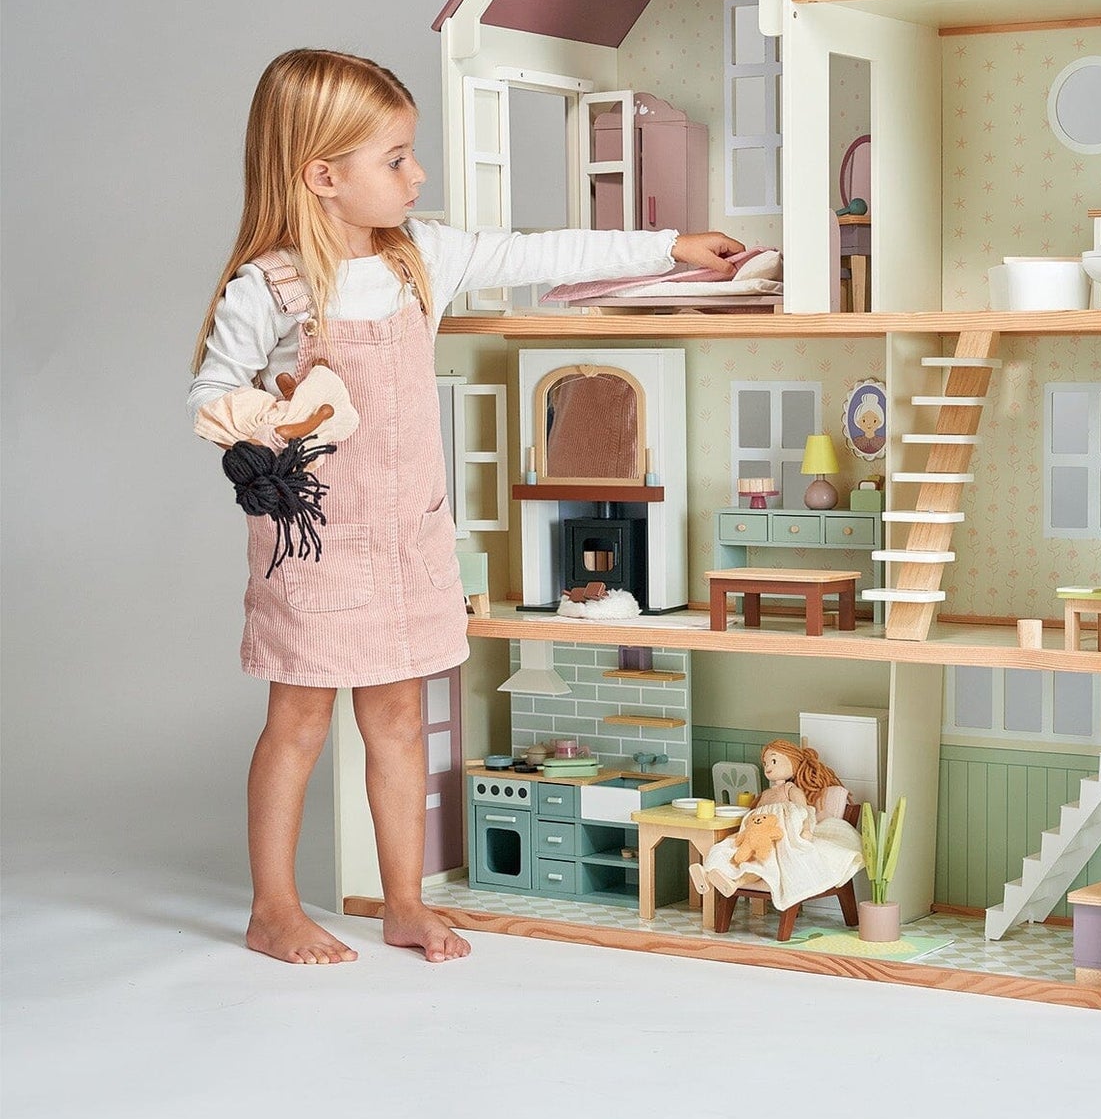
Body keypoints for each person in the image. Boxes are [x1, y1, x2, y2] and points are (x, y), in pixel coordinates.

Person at [190, 48, 741, 964]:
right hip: (319, 542)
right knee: (299, 721)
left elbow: (539, 251)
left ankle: (403, 900)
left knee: (399, 717)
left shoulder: (421, 259)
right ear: (322, 177)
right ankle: (273, 908)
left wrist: (669, 246)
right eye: (396, 158)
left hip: (409, 539)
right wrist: (265, 416)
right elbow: (209, 389)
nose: (419, 175)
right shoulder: (272, 288)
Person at [690, 739, 863, 909]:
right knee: (726, 849)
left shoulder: (791, 790)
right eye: (765, 763)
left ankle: (735, 882)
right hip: (753, 835)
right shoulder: (766, 794)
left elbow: (803, 811)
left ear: (793, 763)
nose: (768, 767)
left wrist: (806, 829)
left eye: (773, 761)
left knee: (761, 861)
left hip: (779, 837)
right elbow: (754, 814)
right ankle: (707, 876)